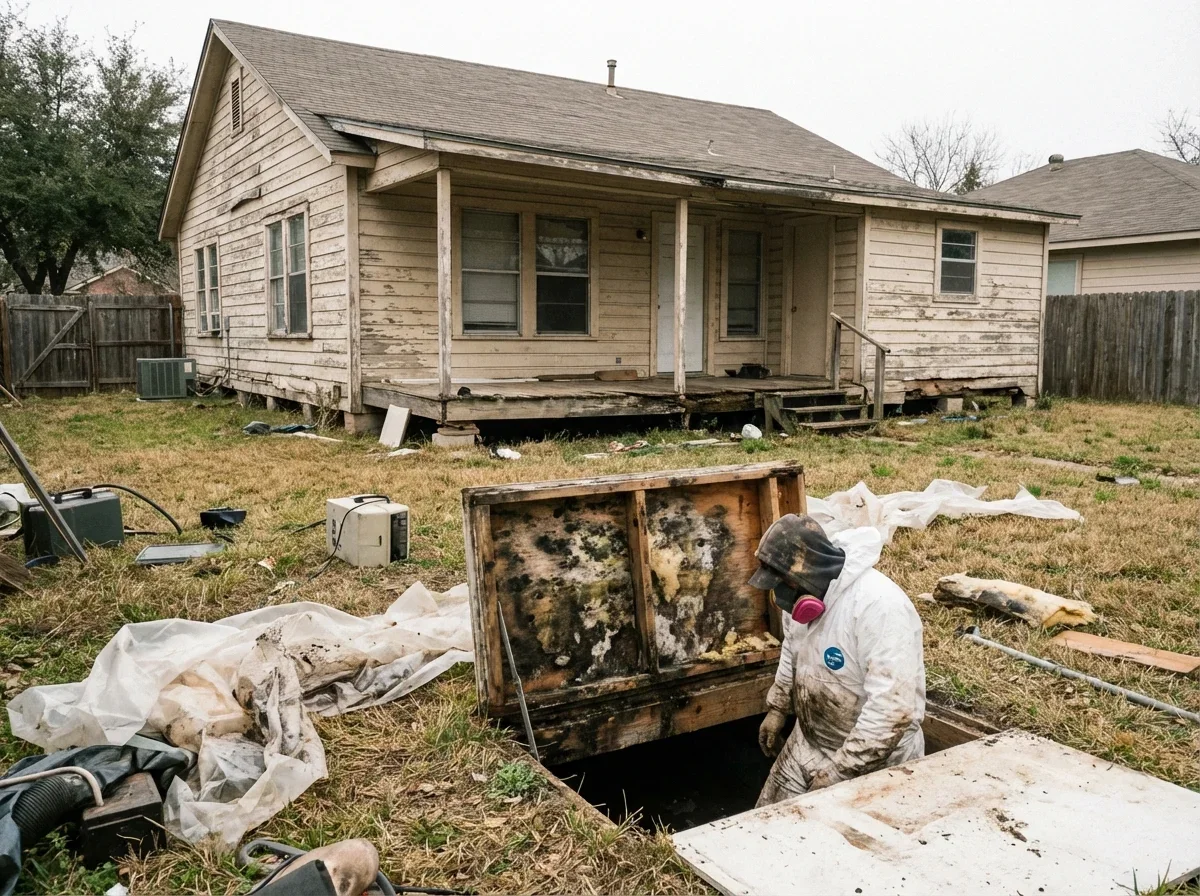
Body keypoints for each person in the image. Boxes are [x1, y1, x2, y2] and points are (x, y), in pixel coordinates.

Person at [748, 514, 925, 806]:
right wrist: (778, 707)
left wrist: (838, 773)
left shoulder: (879, 607)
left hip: (876, 758)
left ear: (808, 572)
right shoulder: (798, 599)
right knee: (764, 824)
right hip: (811, 740)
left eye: (782, 584)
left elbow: (892, 711)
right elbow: (792, 650)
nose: (778, 596)